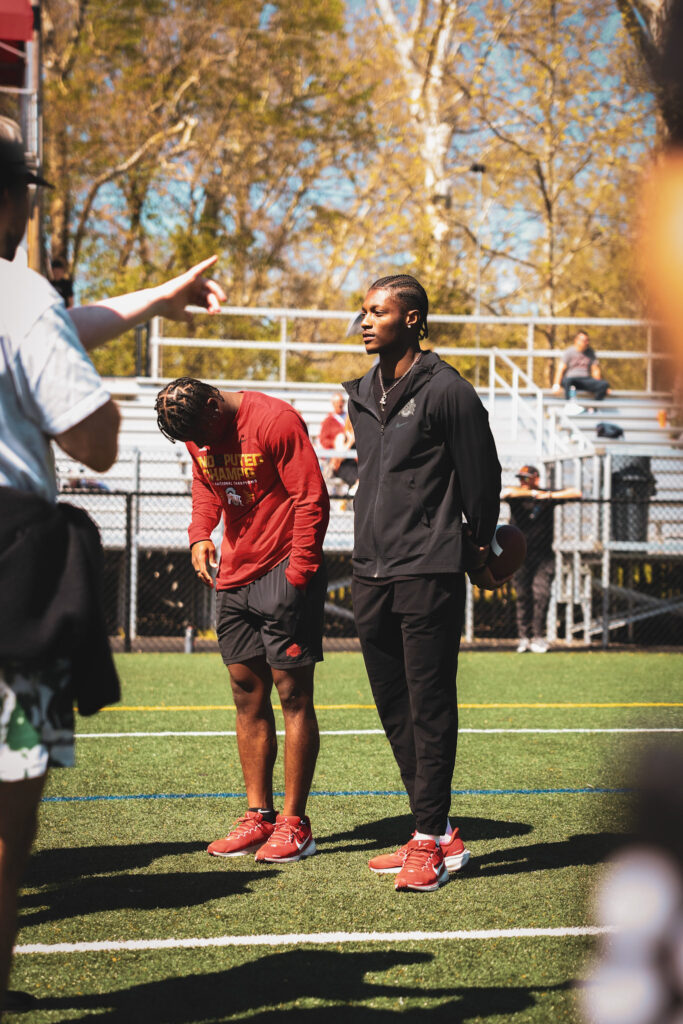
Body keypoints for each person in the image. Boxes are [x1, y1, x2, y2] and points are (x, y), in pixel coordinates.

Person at [0, 114, 226, 1017]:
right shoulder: (19, 298)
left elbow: (54, 324)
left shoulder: (28, 307)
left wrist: (152, 298)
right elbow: (92, 440)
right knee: (8, 818)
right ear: (11, 198)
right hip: (8, 576)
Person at [343, 274, 502, 893]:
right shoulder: (360, 392)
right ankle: (431, 832)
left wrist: (476, 547)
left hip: (427, 570)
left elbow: (482, 475)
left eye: (377, 312)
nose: (365, 321)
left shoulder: (448, 390)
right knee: (393, 705)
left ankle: (430, 840)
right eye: (363, 312)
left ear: (411, 319)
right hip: (368, 570)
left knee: (429, 704)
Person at [154, 377, 330, 865]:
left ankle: (296, 824)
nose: (204, 446)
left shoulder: (275, 420)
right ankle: (259, 816)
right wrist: (199, 534)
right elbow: (204, 481)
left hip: (284, 570)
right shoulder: (196, 429)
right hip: (234, 575)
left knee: (293, 694)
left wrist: (299, 573)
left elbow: (311, 498)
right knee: (244, 693)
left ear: (214, 402)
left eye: (204, 434)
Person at [501, 465, 581, 653]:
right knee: (522, 595)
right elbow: (506, 492)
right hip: (519, 556)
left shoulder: (546, 495)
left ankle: (538, 636)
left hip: (543, 556)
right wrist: (527, 493)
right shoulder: (517, 496)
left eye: (526, 478)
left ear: (536, 478)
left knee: (541, 594)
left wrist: (548, 496)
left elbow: (576, 492)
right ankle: (524, 637)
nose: (523, 481)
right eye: (520, 478)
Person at [551, 330, 611, 402]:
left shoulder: (590, 352)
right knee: (567, 381)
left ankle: (592, 408)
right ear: (576, 341)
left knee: (604, 384)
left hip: (585, 380)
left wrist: (599, 385)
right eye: (584, 341)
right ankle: (569, 404)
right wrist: (556, 385)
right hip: (571, 379)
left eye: (587, 340)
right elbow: (560, 369)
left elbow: (595, 370)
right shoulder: (569, 352)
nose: (586, 343)